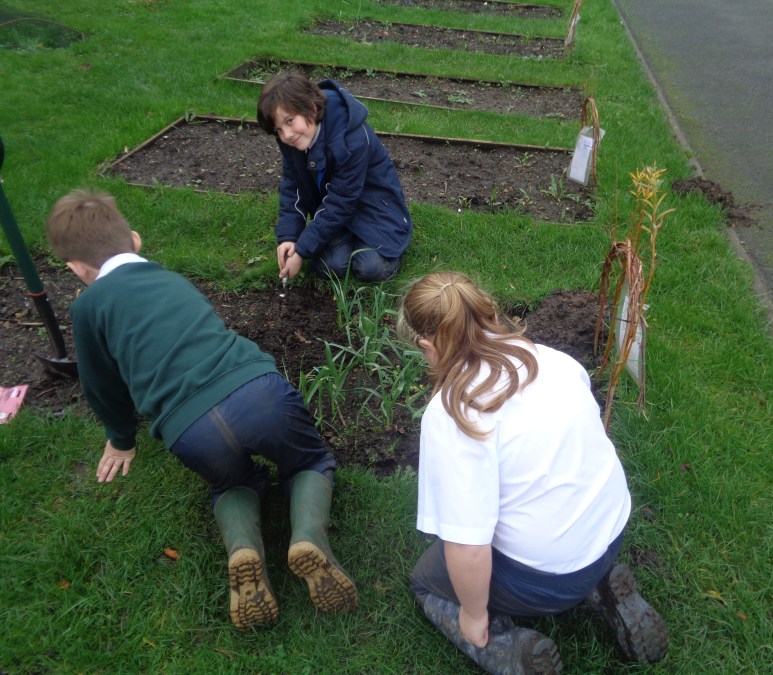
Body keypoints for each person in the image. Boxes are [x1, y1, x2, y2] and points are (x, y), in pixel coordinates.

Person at [45, 189, 358, 630]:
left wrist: (121, 440)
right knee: (308, 461)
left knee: (232, 483)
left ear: (76, 268)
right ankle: (308, 539)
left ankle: (243, 550)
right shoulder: (170, 278)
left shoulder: (87, 308)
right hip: (257, 393)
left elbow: (100, 383)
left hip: (189, 425)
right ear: (135, 241)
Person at [396, 271, 668, 674]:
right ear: (490, 314)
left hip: (545, 581)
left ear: (427, 346)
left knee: (426, 579)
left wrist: (473, 613)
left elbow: (468, 546)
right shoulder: (550, 359)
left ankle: (507, 647)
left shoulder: (454, 415)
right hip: (612, 532)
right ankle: (600, 587)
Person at [257, 71, 412, 283]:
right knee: (329, 266)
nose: (287, 135)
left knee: (371, 269)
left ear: (311, 107)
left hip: (375, 209)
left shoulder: (353, 139)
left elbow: (341, 201)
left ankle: (376, 245)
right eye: (279, 130)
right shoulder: (295, 140)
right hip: (336, 207)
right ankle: (347, 241)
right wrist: (289, 237)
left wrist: (302, 250)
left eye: (290, 121)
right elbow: (293, 188)